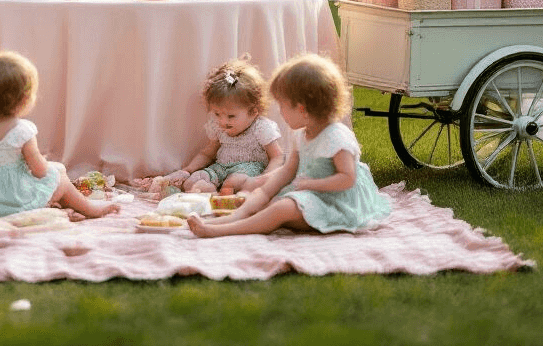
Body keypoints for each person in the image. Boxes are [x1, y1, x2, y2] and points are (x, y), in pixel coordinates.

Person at [187, 54, 391, 238]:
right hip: (311, 195)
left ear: (302, 109)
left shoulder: (336, 138)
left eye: (283, 106)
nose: (281, 113)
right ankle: (227, 220)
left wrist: (311, 185)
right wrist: (263, 192)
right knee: (267, 200)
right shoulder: (301, 135)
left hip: (337, 203)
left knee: (281, 208)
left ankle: (220, 230)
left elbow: (347, 178)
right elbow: (287, 171)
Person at [0, 50, 120, 220]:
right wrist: (47, 163)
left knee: (53, 175)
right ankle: (92, 211)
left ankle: (56, 207)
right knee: (59, 178)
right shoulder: (22, 130)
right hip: (12, 203)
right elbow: (40, 170)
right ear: (25, 98)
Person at [162, 56, 284, 194]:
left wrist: (264, 178)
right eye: (217, 114)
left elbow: (277, 156)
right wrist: (187, 170)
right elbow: (208, 153)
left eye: (231, 116)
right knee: (192, 181)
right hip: (220, 167)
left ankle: (221, 193)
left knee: (233, 183)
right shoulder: (218, 127)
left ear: (253, 111)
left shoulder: (261, 128)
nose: (223, 121)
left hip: (248, 170)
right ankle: (211, 192)